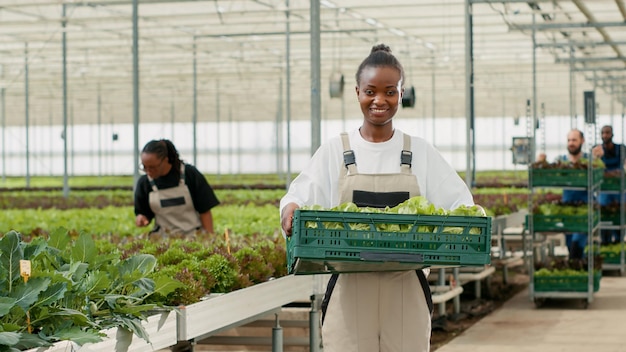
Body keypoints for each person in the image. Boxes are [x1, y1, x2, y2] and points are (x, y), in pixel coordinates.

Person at [279, 44, 476, 352]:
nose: (379, 100)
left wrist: (470, 219)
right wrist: (289, 210)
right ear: (357, 92)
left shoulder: (419, 151)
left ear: (401, 93)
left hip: (406, 288)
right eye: (370, 91)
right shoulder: (336, 150)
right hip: (350, 287)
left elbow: (461, 203)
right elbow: (298, 196)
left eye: (390, 91)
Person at [134, 139, 220, 237]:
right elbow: (143, 212)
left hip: (193, 235)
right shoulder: (144, 183)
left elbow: (204, 211)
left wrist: (209, 237)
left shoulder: (190, 174)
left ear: (165, 160)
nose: (148, 171)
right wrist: (142, 218)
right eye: (144, 167)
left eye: (153, 167)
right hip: (163, 237)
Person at [548, 129, 602, 260]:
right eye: (569, 140)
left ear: (582, 141)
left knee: (577, 242)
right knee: (569, 243)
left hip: (585, 207)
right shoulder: (561, 160)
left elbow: (600, 177)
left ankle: (576, 267)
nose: (571, 143)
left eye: (574, 140)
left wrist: (598, 158)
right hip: (567, 207)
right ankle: (580, 270)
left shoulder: (589, 159)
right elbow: (550, 174)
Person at [597, 125, 623, 244]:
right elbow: (596, 168)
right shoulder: (598, 150)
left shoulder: (621, 149)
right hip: (604, 189)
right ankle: (605, 242)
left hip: (619, 188)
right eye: (603, 133)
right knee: (605, 215)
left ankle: (618, 241)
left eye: (607, 133)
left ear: (612, 134)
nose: (605, 135)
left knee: (619, 214)